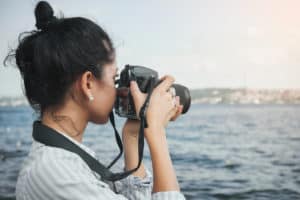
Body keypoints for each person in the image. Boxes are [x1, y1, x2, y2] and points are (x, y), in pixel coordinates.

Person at [6, 1, 186, 199]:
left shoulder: (65, 161)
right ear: (88, 83)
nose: (118, 90)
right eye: (113, 78)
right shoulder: (56, 173)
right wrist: (157, 133)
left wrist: (132, 135)